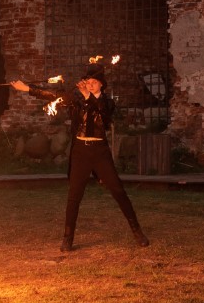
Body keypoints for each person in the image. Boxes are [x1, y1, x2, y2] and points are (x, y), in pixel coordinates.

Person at [12, 65, 150, 252]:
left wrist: (87, 95)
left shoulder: (107, 103)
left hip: (99, 151)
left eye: (94, 82)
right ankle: (67, 238)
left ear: (101, 84)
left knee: (118, 191)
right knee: (74, 196)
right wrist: (27, 88)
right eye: (88, 82)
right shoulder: (77, 101)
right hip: (80, 152)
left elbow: (101, 113)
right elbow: (52, 95)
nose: (90, 85)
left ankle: (137, 232)